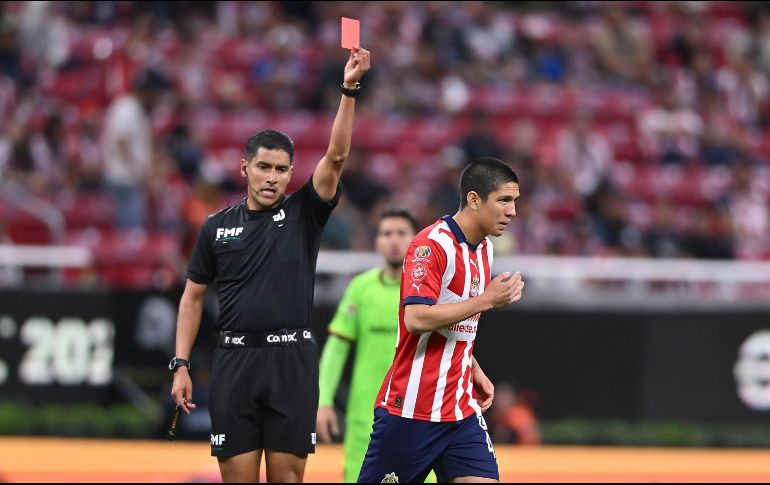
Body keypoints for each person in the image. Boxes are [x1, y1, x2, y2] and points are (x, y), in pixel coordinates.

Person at [170, 46, 370, 483]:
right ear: (245, 168)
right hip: (234, 361)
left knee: (287, 480)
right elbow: (192, 297)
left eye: (281, 169)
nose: (272, 176)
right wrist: (181, 364)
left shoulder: (305, 213)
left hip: (291, 361)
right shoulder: (214, 227)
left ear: (290, 172)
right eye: (263, 167)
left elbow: (336, 157)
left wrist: (349, 88)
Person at [358, 157, 525, 484]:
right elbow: (417, 318)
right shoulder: (430, 245)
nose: (512, 211)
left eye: (515, 201)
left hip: (460, 410)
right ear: (474, 199)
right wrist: (487, 299)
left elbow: (457, 321)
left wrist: (472, 366)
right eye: (504, 200)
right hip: (412, 410)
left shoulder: (485, 250)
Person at [316, 208, 418, 482]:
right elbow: (336, 349)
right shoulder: (360, 288)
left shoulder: (428, 291)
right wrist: (323, 400)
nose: (394, 240)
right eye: (387, 233)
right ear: (377, 242)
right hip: (365, 419)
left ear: (416, 240)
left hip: (417, 416)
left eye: (401, 233)